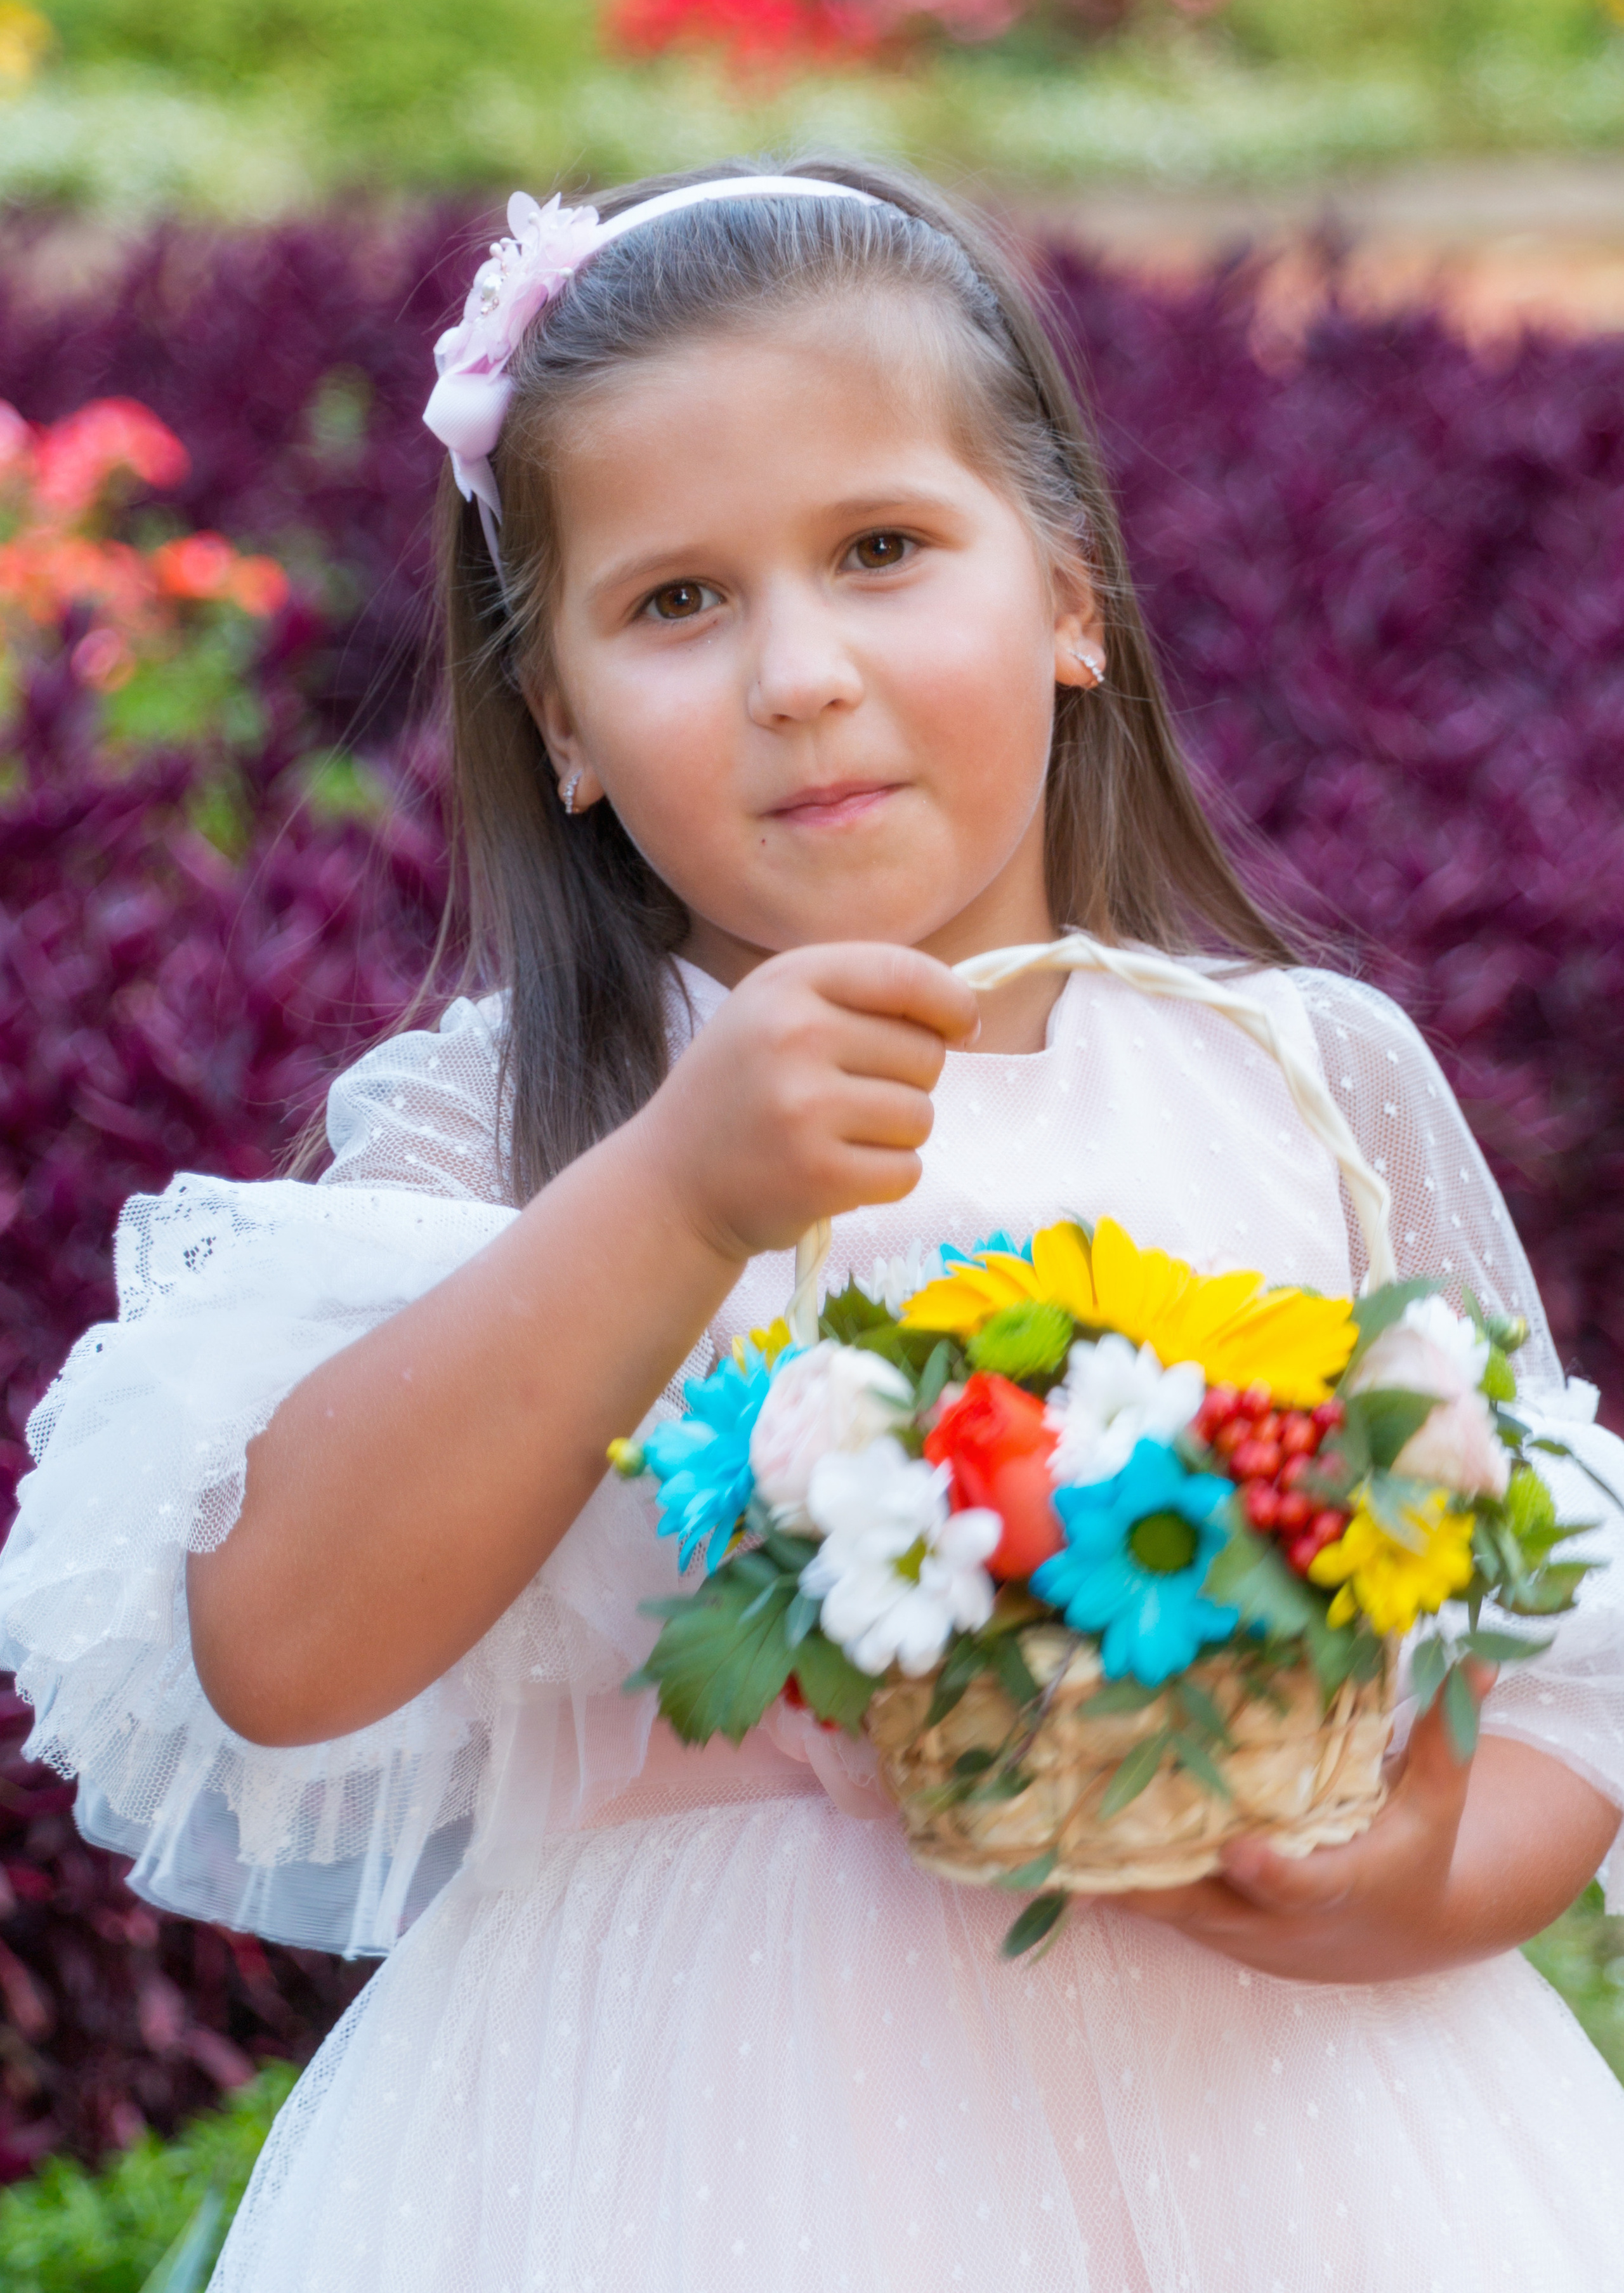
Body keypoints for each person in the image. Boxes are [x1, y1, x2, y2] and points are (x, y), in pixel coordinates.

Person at [3, 157, 1622, 2292]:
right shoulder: (514, 1130)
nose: (797, 674)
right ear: (561, 721)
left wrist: (1403, 1885)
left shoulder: (1298, 1084)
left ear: (1069, 597)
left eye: (881, 552)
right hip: (670, 2168)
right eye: (677, 603)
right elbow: (282, 1646)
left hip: (1290, 2136)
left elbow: (1554, 1682)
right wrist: (676, 1192)